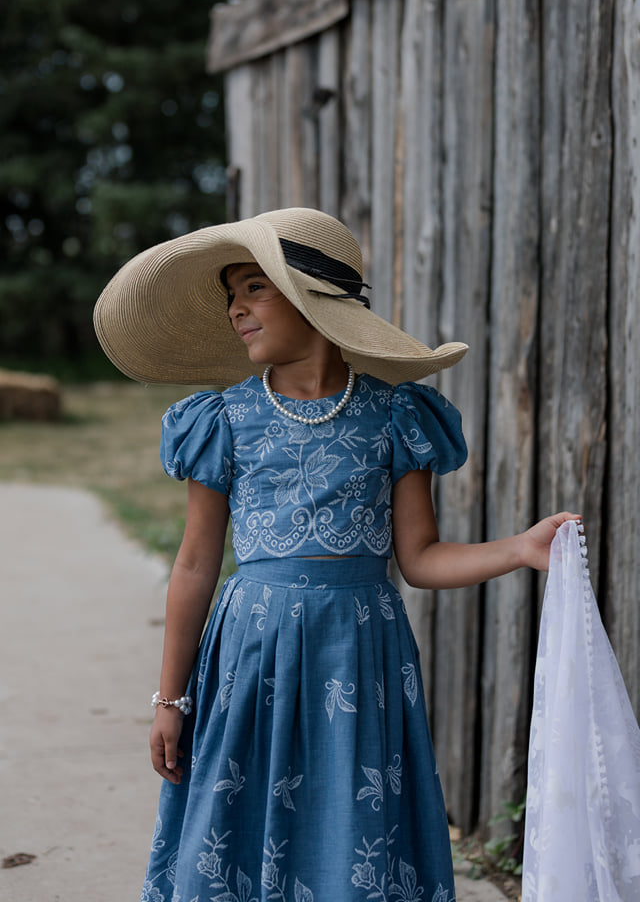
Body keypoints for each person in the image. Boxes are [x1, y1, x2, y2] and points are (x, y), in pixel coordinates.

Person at [94, 207, 579, 902]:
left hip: (358, 658)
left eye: (253, 288)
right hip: (250, 661)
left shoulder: (395, 416)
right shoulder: (224, 421)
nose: (235, 308)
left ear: (309, 298)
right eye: (230, 293)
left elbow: (420, 558)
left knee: (351, 818)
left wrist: (520, 548)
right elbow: (196, 565)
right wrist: (170, 698)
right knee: (243, 809)